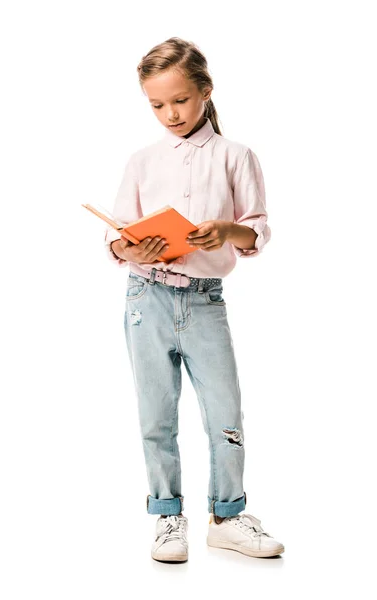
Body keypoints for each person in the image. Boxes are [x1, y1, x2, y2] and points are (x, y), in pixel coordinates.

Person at [103, 37, 284, 563]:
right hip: (146, 298)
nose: (169, 114)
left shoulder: (236, 156)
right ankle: (166, 517)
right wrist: (129, 244)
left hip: (205, 302)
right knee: (155, 413)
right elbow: (117, 235)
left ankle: (227, 516)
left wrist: (226, 230)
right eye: (157, 104)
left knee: (225, 411)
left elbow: (256, 232)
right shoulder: (142, 161)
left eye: (179, 100)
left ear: (205, 91)